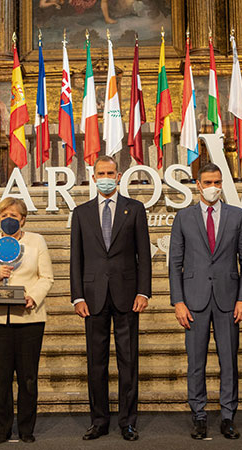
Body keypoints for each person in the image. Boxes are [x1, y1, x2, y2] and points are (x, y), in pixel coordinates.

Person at [169, 163, 242, 440]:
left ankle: (228, 415)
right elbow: (175, 263)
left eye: (217, 181)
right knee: (196, 362)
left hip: (229, 300)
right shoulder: (183, 217)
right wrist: (178, 301)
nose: (213, 186)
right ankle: (199, 415)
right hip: (193, 300)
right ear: (198, 184)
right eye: (208, 182)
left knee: (228, 361)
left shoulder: (237, 215)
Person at [70, 155, 151, 441]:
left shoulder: (135, 209)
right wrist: (76, 296)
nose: (106, 177)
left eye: (111, 172)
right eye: (101, 172)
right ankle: (99, 420)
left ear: (119, 176)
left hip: (127, 296)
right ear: (93, 177)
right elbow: (76, 259)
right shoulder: (81, 213)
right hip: (92, 298)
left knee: (128, 362)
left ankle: (128, 421)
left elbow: (144, 255)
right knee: (97, 362)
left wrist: (144, 291)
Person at [0, 197, 54, 444]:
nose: (8, 219)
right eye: (3, 215)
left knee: (28, 377)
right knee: (1, 377)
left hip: (29, 317)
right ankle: (2, 429)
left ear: (23, 219)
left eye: (13, 216)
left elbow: (46, 277)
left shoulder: (36, 241)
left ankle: (27, 428)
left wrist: (33, 297)